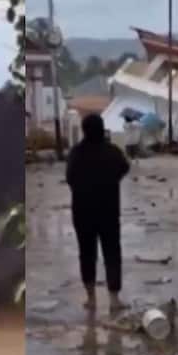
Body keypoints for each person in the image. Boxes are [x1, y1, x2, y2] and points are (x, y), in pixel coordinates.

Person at [66, 114, 131, 310]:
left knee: (86, 254)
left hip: (82, 212)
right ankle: (113, 299)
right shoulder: (112, 151)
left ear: (84, 130)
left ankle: (91, 298)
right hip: (109, 211)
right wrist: (110, 181)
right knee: (112, 252)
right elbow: (125, 167)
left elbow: (70, 178)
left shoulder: (76, 153)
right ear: (102, 129)